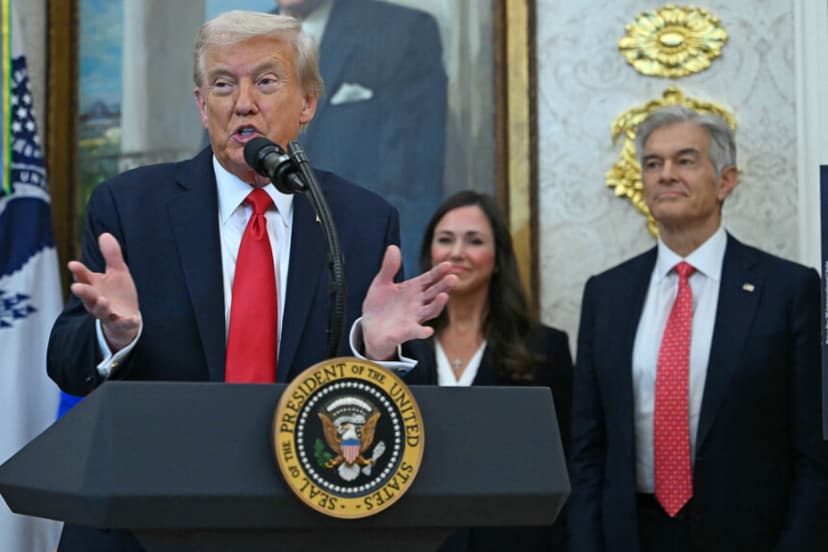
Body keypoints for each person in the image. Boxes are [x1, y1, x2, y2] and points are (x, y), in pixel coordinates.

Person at [46, 11, 454, 552]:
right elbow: (65, 360)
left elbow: (411, 398)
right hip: (147, 524)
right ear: (201, 105)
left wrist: (376, 352)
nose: (243, 103)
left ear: (308, 103)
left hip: (303, 524)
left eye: (265, 81)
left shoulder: (358, 222)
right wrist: (115, 337)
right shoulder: (130, 208)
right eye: (222, 84)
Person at [568, 105, 828, 551]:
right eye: (653, 163)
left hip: (749, 536)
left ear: (725, 180)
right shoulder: (606, 295)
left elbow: (813, 450)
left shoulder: (787, 290)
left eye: (684, 160)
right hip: (632, 533)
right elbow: (588, 448)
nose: (666, 174)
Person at [401, 190, 573, 551]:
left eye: (474, 240)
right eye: (445, 240)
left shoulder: (544, 349)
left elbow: (564, 464)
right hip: (417, 537)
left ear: (497, 259)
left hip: (514, 539)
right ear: (430, 253)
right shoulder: (402, 345)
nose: (457, 252)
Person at [275, 0, 447, 274]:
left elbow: (416, 183)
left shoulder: (403, 33)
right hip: (260, 273)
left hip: (361, 271)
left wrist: (404, 287)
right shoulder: (239, 42)